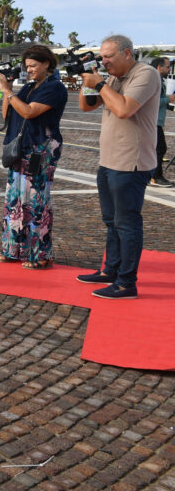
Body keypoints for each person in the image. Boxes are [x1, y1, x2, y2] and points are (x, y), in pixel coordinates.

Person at [76, 35, 162, 299]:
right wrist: (87, 81)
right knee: (111, 221)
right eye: (102, 57)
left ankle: (127, 283)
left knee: (127, 224)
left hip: (131, 163)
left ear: (127, 53)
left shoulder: (144, 74)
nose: (104, 61)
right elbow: (86, 107)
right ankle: (110, 270)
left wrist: (100, 82)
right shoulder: (113, 78)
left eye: (109, 56)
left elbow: (124, 109)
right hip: (109, 161)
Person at [0, 45, 68, 271]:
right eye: (27, 66)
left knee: (36, 201)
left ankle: (41, 254)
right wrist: (6, 92)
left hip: (40, 151)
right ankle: (13, 249)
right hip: (21, 149)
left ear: (47, 64)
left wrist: (8, 91)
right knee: (15, 199)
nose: (30, 70)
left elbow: (29, 112)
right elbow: (8, 114)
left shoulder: (55, 88)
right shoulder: (26, 87)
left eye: (34, 66)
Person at [149, 57, 173, 187]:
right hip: (153, 121)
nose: (169, 70)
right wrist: (169, 99)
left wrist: (169, 104)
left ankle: (150, 175)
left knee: (153, 149)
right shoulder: (155, 80)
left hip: (154, 121)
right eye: (167, 67)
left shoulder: (155, 79)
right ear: (159, 67)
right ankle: (156, 176)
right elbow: (153, 101)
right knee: (160, 148)